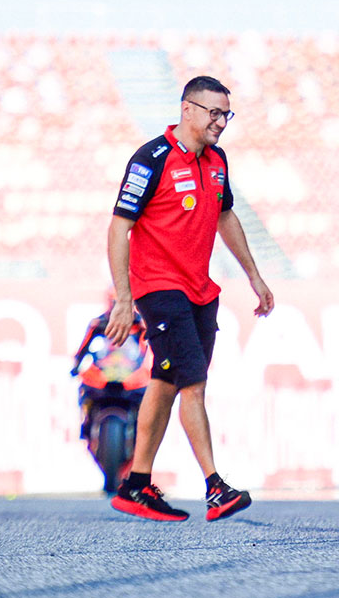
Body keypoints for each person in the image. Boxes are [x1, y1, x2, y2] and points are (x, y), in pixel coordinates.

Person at [106, 76, 275, 522]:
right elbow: (119, 227)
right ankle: (215, 487)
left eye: (226, 114)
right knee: (193, 384)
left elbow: (226, 216)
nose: (221, 122)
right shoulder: (151, 159)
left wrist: (255, 277)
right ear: (187, 109)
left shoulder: (217, 161)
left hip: (200, 290)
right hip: (159, 289)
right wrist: (125, 299)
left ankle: (136, 485)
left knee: (165, 383)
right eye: (213, 112)